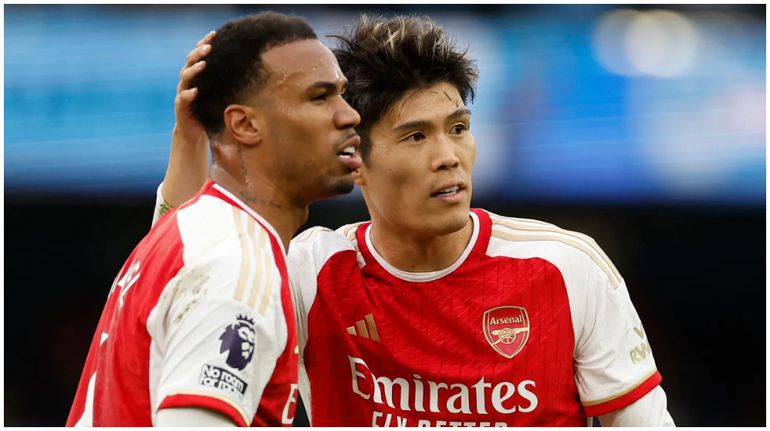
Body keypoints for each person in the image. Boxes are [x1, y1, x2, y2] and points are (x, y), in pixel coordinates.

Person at [158, 15, 674, 426]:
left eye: (458, 128)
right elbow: (182, 292)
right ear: (354, 159)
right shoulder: (308, 272)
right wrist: (189, 141)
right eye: (416, 136)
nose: (448, 156)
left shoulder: (566, 268)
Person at [67, 12, 361, 427]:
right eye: (320, 97)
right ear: (244, 124)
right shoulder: (237, 266)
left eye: (342, 94)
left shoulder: (191, 233)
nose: (349, 115)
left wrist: (189, 137)